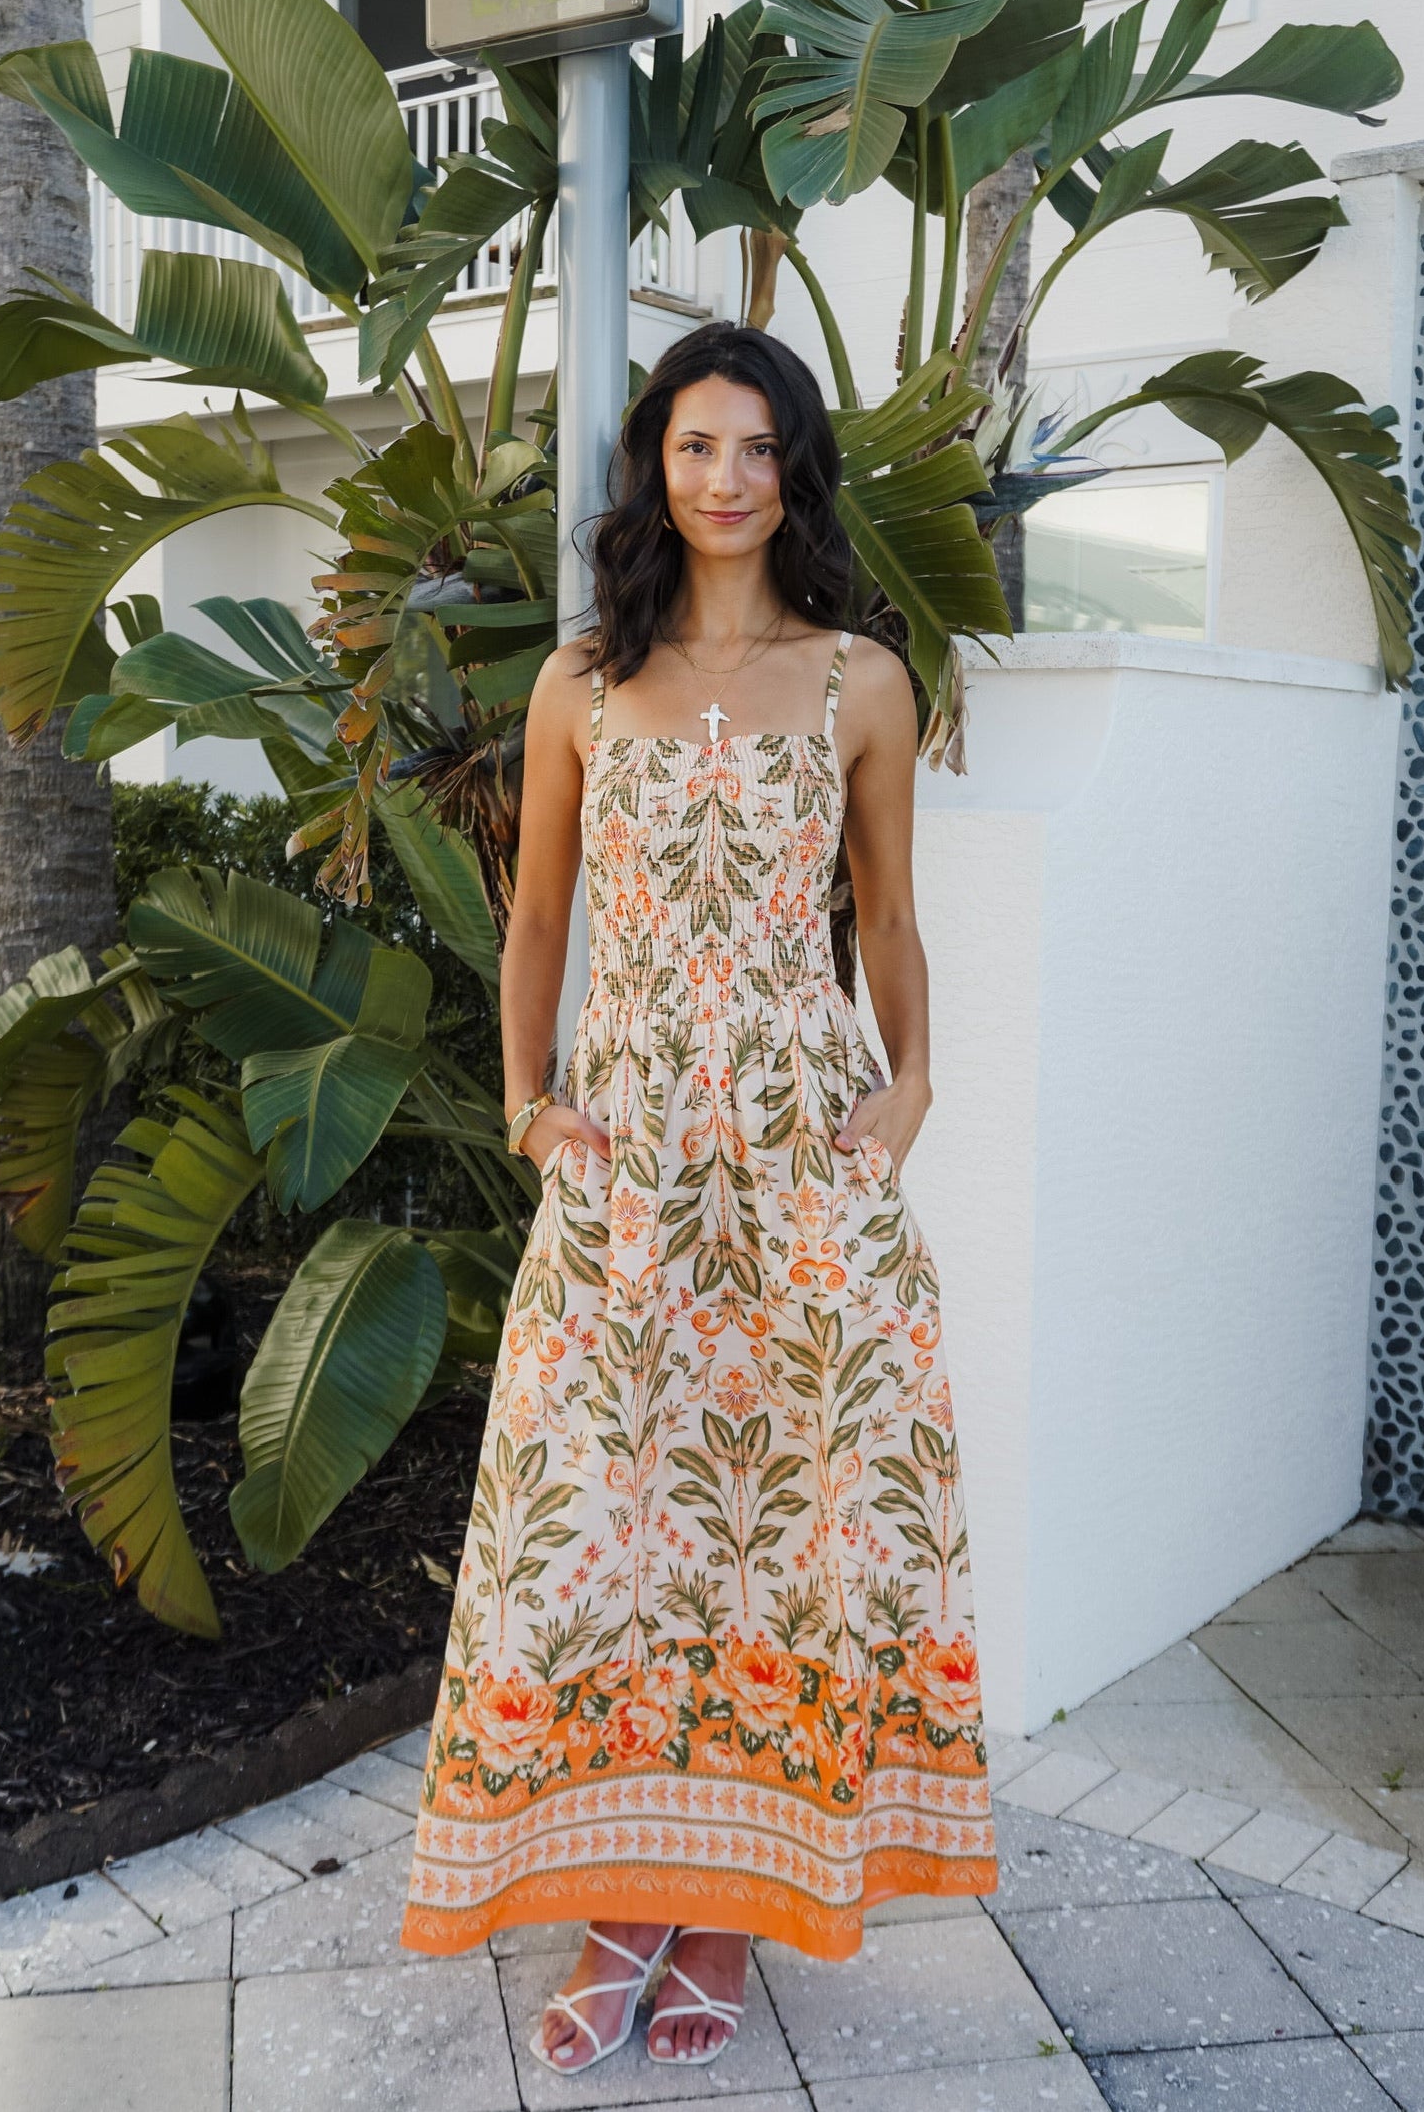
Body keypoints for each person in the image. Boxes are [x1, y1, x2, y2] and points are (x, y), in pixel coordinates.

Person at [403, 321, 995, 2070]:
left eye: (756, 448)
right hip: (637, 1155)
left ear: (792, 470)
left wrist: (908, 1095)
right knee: (602, 1522)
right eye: (694, 447)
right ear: (654, 471)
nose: (726, 478)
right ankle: (623, 1889)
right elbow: (537, 926)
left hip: (804, 1154)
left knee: (784, 1529)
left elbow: (883, 923)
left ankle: (734, 1899)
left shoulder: (861, 680)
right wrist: (532, 1108)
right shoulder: (582, 682)